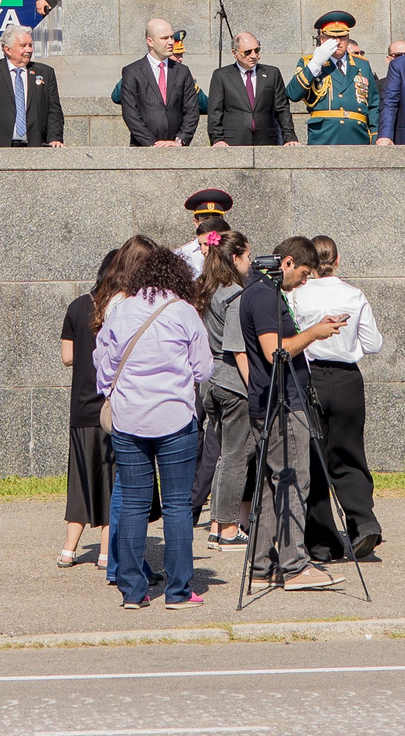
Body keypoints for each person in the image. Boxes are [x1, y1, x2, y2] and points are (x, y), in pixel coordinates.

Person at [93, 242, 213, 610]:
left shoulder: (122, 309)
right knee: (177, 505)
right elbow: (204, 368)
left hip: (129, 418)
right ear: (177, 275)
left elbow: (105, 361)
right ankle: (179, 591)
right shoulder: (184, 312)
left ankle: (132, 591)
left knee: (132, 503)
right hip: (175, 418)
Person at [237, 236, 345, 591]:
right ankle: (295, 565)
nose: (303, 281)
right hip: (281, 404)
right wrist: (315, 332)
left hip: (274, 401)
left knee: (273, 484)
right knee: (294, 481)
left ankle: (262, 563)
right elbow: (274, 352)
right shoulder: (265, 296)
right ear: (286, 262)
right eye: (302, 273)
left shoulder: (263, 292)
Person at [287, 235, 383, 559]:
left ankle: (323, 541)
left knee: (314, 459)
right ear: (338, 260)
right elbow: (373, 344)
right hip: (347, 380)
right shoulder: (353, 295)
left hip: (310, 377)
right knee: (350, 452)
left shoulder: (298, 295)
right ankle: (364, 521)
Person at [196, 232, 255, 554]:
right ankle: (230, 530)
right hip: (232, 383)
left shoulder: (206, 290)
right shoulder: (234, 295)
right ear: (234, 258)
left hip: (211, 382)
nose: (250, 263)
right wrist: (255, 389)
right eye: (247, 257)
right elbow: (238, 349)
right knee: (236, 457)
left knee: (222, 457)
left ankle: (218, 526)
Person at [57, 251, 115, 568]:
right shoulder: (120, 309)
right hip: (110, 406)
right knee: (111, 477)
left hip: (80, 404)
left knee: (79, 478)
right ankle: (105, 551)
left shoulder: (78, 306)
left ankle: (68, 549)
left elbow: (67, 356)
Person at [287, 13, 378, 146]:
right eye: (332, 37)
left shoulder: (361, 64)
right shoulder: (309, 63)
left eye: (342, 37)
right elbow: (293, 94)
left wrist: (375, 135)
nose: (338, 42)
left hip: (357, 135)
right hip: (324, 135)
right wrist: (315, 64)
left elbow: (374, 103)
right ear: (322, 39)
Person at [0, 24, 63, 148]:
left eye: (30, 45)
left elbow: (54, 111)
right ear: (8, 49)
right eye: (23, 45)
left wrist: (54, 138)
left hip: (36, 145)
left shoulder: (45, 73)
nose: (29, 49)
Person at [120, 18, 202, 148]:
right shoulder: (132, 72)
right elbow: (130, 114)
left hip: (177, 149)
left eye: (171, 37)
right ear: (150, 41)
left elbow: (191, 110)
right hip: (143, 149)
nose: (171, 42)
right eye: (165, 38)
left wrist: (180, 140)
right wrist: (152, 144)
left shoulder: (182, 71)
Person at [207, 34, 298, 146]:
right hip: (233, 142)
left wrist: (290, 137)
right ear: (234, 53)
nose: (254, 55)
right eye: (247, 52)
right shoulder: (222, 76)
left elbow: (282, 109)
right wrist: (217, 139)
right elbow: (215, 112)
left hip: (266, 141)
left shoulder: (272, 73)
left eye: (257, 50)